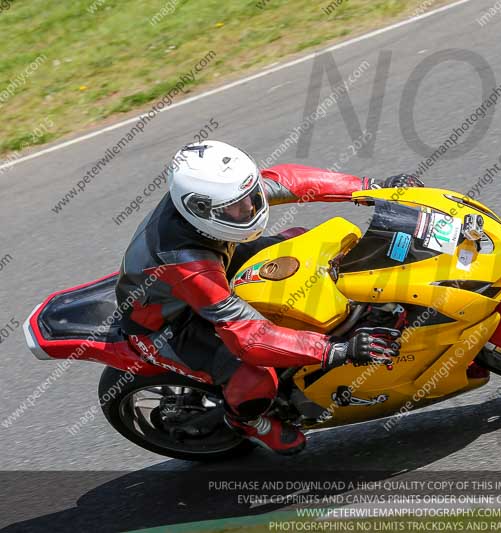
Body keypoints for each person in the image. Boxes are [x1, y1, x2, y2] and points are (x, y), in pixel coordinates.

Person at [115, 140, 424, 454]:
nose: (249, 209)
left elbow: (290, 181)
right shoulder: (185, 261)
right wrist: (336, 350)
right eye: (235, 208)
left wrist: (374, 188)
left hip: (218, 261)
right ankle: (246, 421)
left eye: (249, 198)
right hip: (169, 323)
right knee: (254, 376)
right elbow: (247, 337)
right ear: (199, 209)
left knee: (302, 241)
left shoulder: (221, 193)